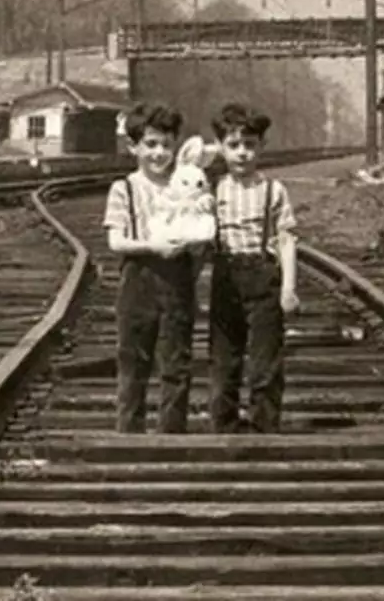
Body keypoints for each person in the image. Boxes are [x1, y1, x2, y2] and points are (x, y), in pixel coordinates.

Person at [101, 102, 203, 433]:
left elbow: (200, 234)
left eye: (166, 145)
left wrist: (193, 257)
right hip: (138, 279)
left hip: (177, 280)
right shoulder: (124, 188)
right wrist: (152, 246)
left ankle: (172, 433)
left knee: (176, 361)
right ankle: (129, 431)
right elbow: (116, 241)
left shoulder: (185, 185)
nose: (159, 153)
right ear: (134, 147)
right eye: (151, 144)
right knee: (133, 359)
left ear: (177, 146)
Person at [206, 102, 300, 433]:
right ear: (220, 147)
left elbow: (287, 240)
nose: (242, 153)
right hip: (226, 278)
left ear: (262, 146)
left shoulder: (274, 190)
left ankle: (264, 427)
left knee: (266, 361)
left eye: (250, 145)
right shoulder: (211, 188)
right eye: (233, 145)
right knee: (223, 358)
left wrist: (288, 288)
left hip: (264, 278)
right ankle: (225, 426)